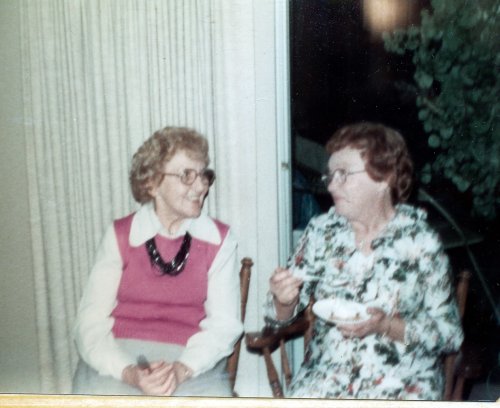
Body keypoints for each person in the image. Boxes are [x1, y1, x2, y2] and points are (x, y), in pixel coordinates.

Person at [265, 122, 463, 399]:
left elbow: (450, 334)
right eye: (330, 175)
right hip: (327, 376)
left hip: (402, 382)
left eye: (344, 174)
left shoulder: (420, 241)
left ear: (384, 178)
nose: (332, 185)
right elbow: (278, 319)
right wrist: (282, 302)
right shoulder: (321, 231)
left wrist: (387, 326)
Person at [72, 126, 242, 397]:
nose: (201, 186)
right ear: (151, 183)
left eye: (204, 175)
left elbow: (224, 325)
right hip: (120, 356)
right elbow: (89, 323)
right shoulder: (120, 235)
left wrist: (181, 369)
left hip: (192, 359)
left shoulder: (219, 239)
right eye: (187, 175)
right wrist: (128, 371)